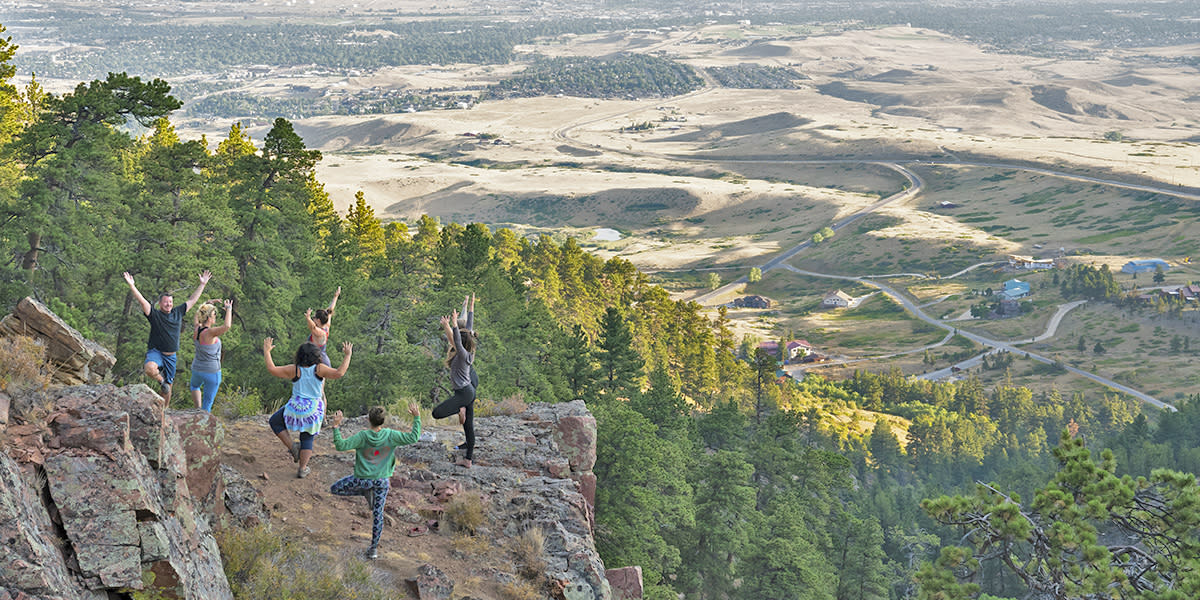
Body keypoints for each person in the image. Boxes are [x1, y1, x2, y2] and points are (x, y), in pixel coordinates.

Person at [328, 403, 421, 560]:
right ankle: (373, 549)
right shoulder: (391, 435)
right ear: (383, 421)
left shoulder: (362, 437)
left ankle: (364, 491)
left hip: (362, 480)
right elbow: (413, 437)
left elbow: (340, 445)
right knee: (378, 514)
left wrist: (336, 426)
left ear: (368, 420)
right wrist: (416, 417)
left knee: (335, 489)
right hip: (381, 482)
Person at [263, 338, 353, 478]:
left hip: (295, 407)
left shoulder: (294, 369)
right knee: (307, 436)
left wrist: (267, 351)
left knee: (275, 421)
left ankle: (292, 447)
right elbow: (339, 373)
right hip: (312, 409)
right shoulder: (319, 369)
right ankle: (302, 468)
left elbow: (272, 369)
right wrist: (347, 355)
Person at [124, 270, 211, 402]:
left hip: (171, 356)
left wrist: (202, 284)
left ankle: (164, 413)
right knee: (150, 369)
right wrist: (132, 286)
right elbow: (142, 301)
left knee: (168, 389)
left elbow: (192, 300)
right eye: (165, 302)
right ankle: (161, 380)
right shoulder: (155, 315)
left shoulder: (178, 312)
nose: (168, 304)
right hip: (156, 352)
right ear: (160, 303)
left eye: (170, 302)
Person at [432, 309, 477, 468]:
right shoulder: (469, 351)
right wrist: (469, 308)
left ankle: (461, 408)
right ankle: (468, 459)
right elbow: (467, 332)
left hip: (464, 393)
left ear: (461, 343)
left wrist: (453, 324)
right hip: (468, 390)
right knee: (468, 425)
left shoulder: (463, 353)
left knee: (436, 413)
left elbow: (456, 339)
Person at [189, 299, 233, 412]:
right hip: (211, 372)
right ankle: (203, 420)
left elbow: (196, 314)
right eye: (214, 314)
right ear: (209, 318)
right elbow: (227, 326)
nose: (215, 317)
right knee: (208, 403)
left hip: (197, 369)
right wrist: (229, 309)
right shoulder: (210, 333)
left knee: (194, 386)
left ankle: (197, 410)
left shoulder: (197, 328)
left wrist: (207, 303)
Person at [304, 286, 341, 367]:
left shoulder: (320, 333)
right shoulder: (326, 326)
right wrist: (336, 296)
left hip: (318, 360)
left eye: (314, 317)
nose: (313, 319)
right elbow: (330, 310)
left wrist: (308, 318)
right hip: (320, 358)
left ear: (318, 320)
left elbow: (313, 327)